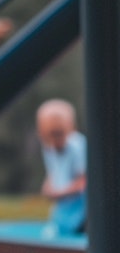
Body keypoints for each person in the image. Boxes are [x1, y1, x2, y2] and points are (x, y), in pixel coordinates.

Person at [36, 98, 87, 235]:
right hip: (63, 208)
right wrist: (48, 186)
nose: (55, 141)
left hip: (82, 210)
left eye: (59, 134)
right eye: (50, 135)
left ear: (70, 128)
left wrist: (60, 193)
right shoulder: (48, 148)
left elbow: (85, 181)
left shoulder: (78, 146)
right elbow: (54, 172)